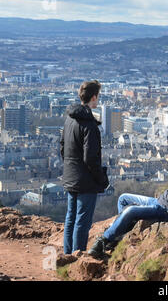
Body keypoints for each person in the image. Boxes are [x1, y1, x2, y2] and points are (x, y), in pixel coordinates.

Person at [88, 147, 168, 259]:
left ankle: (102, 242)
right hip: (162, 202)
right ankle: (118, 235)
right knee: (123, 198)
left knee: (130, 211)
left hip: (166, 209)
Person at [60, 80, 109, 255]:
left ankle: (67, 256)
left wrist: (70, 168)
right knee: (82, 220)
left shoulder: (69, 119)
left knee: (70, 218)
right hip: (86, 181)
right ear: (94, 97)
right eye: (98, 96)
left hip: (70, 176)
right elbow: (91, 158)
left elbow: (63, 148)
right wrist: (101, 179)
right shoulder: (90, 126)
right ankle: (78, 256)